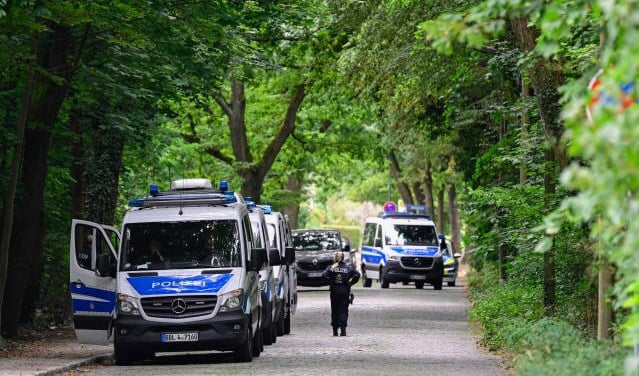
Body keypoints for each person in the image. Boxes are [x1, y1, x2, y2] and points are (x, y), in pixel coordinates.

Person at [322, 251, 360, 336]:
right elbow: (357, 275)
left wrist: (331, 282)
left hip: (334, 291)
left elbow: (323, 275)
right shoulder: (348, 268)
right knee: (343, 310)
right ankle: (343, 330)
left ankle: (335, 330)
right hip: (345, 290)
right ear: (343, 258)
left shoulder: (331, 267)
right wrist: (350, 283)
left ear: (335, 258)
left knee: (335, 310)